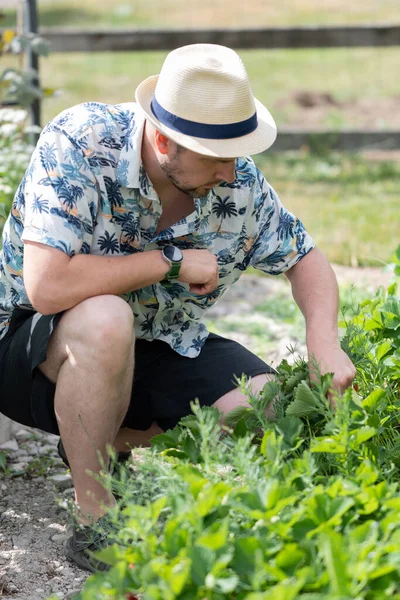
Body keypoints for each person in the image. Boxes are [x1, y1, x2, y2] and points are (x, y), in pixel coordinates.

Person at [0, 43, 355, 571]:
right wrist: (168, 261)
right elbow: (48, 287)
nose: (232, 174)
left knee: (268, 407)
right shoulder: (81, 141)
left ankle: (98, 439)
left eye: (236, 156)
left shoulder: (237, 179)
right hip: (32, 352)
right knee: (106, 318)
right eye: (217, 159)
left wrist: (323, 342)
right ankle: (97, 513)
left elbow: (305, 259)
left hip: (156, 341)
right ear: (164, 140)